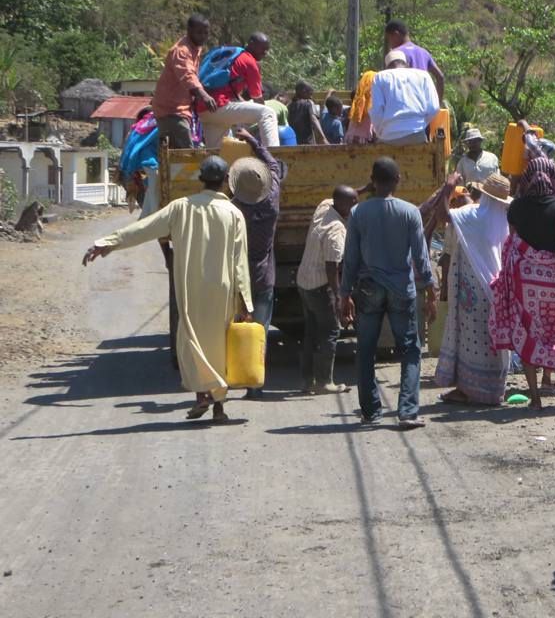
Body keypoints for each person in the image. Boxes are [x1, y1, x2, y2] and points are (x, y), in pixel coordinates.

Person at [83, 155, 253, 423]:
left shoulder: (180, 208)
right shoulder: (234, 214)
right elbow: (239, 262)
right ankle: (219, 408)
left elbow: (144, 228)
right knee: (221, 345)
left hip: (190, 287)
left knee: (191, 342)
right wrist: (246, 303)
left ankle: (201, 396)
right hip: (223, 289)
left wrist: (106, 242)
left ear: (200, 180)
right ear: (225, 182)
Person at [340, 157, 438, 429]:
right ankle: (407, 411)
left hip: (368, 288)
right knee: (409, 350)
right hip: (401, 290)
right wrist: (430, 291)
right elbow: (421, 257)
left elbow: (350, 258)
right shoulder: (409, 212)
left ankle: (371, 412)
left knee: (366, 350)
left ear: (372, 181)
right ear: (398, 180)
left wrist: (344, 293)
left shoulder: (359, 213)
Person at [490, 158, 555, 410]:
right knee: (551, 328)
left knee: (527, 330)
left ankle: (535, 397)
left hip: (523, 279)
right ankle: (550, 376)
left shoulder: (515, 207)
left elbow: (513, 244)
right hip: (551, 281)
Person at [436, 174, 513, 406]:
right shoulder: (503, 219)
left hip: (472, 287)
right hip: (495, 287)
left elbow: (442, 216)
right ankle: (492, 391)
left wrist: (447, 189)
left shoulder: (473, 215)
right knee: (491, 340)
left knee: (470, 339)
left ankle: (469, 390)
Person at [229, 128, 283, 400]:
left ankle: (228, 377)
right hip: (263, 277)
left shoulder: (233, 208)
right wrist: (253, 141)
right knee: (259, 330)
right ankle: (254, 384)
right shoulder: (272, 201)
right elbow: (273, 165)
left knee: (231, 326)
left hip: (236, 279)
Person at [296, 186, 358, 395]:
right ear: (342, 204)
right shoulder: (336, 229)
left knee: (310, 333)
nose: (355, 206)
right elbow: (332, 267)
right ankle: (324, 382)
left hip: (304, 281)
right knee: (331, 331)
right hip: (320, 286)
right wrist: (341, 297)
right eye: (352, 203)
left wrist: (365, 188)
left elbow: (341, 196)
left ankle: (307, 381)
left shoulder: (324, 207)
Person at [202, 32, 280, 148]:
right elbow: (257, 99)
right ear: (251, 44)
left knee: (219, 155)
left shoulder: (231, 54)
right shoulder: (249, 61)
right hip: (219, 106)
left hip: (204, 110)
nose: (265, 53)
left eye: (267, 49)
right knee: (268, 113)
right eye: (263, 48)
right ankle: (275, 158)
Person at [152, 14, 216, 149]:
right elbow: (187, 75)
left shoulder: (195, 48)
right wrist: (203, 95)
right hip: (171, 111)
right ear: (189, 31)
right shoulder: (182, 51)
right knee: (186, 156)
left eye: (206, 33)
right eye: (199, 33)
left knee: (173, 157)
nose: (203, 36)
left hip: (181, 110)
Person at [369, 50, 441, 145]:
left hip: (389, 135)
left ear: (387, 66)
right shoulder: (423, 75)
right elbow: (434, 108)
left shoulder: (380, 77)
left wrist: (380, 133)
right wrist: (421, 124)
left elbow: (376, 111)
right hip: (417, 134)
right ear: (407, 64)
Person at [384, 19, 445, 102]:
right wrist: (438, 104)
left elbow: (390, 82)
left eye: (389, 39)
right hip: (424, 105)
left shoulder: (396, 54)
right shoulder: (424, 52)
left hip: (406, 104)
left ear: (396, 35)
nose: (389, 43)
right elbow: (440, 77)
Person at [288, 80, 328, 145]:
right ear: (303, 92)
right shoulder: (308, 103)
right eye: (310, 94)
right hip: (307, 143)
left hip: (293, 143)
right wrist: (323, 138)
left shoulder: (289, 106)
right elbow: (314, 120)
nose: (311, 97)